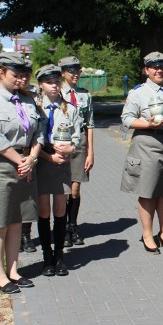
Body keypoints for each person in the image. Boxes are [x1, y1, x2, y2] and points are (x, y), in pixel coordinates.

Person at [0, 52, 44, 293]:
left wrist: (32, 158)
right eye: (16, 75)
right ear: (1, 72)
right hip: (2, 166)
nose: (21, 79)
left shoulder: (27, 100)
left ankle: (14, 271)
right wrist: (21, 161)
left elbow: (40, 131)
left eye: (25, 75)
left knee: (17, 221)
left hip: (26, 163)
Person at [120, 52, 163, 254]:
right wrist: (147, 123)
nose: (159, 70)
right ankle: (147, 233)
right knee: (148, 191)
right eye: (154, 67)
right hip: (148, 142)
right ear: (146, 70)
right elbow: (126, 119)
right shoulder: (138, 92)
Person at [35, 64, 80, 276]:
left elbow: (77, 136)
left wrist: (72, 147)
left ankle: (60, 255)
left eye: (56, 82)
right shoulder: (34, 108)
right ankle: (47, 256)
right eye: (49, 82)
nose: (54, 86)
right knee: (44, 211)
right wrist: (47, 156)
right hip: (43, 162)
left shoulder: (69, 108)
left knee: (60, 209)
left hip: (62, 163)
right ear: (41, 85)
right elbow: (32, 140)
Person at [59, 56, 94, 247]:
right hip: (61, 142)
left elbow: (90, 125)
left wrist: (91, 152)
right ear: (63, 73)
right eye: (71, 71)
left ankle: (72, 226)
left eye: (78, 71)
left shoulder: (85, 95)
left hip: (80, 143)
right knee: (62, 189)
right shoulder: (55, 92)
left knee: (75, 188)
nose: (75, 75)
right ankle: (62, 228)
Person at [20, 58, 37, 253]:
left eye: (26, 74)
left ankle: (26, 234)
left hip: (33, 151)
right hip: (17, 153)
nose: (24, 78)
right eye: (20, 74)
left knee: (29, 196)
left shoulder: (34, 96)